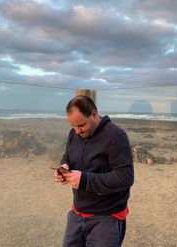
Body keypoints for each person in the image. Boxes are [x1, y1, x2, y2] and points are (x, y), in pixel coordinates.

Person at [54, 95, 134, 247]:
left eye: (81, 125)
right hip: (77, 212)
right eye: (73, 126)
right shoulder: (74, 134)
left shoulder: (116, 136)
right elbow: (67, 157)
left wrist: (84, 180)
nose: (77, 131)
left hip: (107, 216)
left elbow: (126, 177)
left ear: (94, 114)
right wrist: (64, 168)